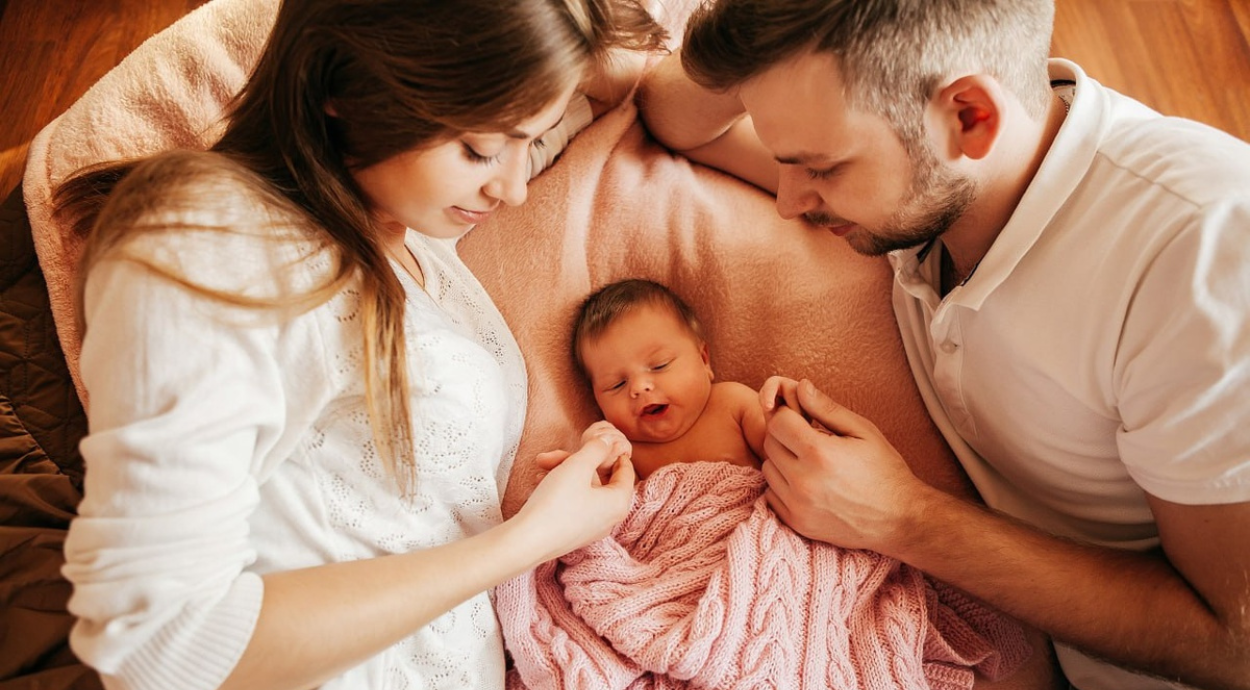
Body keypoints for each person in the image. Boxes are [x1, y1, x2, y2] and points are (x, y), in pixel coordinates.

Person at [635, 1, 1250, 689]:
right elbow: (672, 110)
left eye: (821, 167)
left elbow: (1235, 645)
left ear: (970, 118)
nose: (787, 201)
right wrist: (770, 36)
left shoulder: (1208, 255)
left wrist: (901, 517)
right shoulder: (941, 182)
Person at [52, 1, 666, 689]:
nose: (515, 187)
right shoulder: (207, 247)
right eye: (482, 149)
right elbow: (161, 648)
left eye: (532, 139)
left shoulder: (401, 219)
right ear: (350, 88)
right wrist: (529, 541)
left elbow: (651, 94)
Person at [570, 278, 765, 479]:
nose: (639, 386)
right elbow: (611, 504)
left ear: (703, 359)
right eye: (616, 384)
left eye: (659, 365)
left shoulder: (733, 403)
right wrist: (596, 463)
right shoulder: (626, 452)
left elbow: (789, 444)